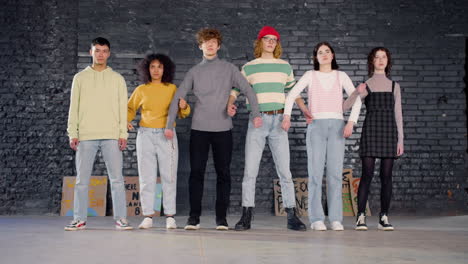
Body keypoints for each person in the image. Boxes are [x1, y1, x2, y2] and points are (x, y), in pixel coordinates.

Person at [164, 28, 262, 231]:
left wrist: (257, 114)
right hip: (199, 129)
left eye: (214, 41)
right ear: (200, 46)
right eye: (206, 42)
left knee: (223, 174)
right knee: (196, 173)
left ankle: (221, 219)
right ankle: (194, 218)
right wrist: (169, 125)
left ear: (218, 45)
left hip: (223, 129)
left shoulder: (229, 69)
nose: (210, 45)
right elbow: (177, 98)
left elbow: (248, 90)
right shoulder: (194, 72)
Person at [228, 26, 308, 231]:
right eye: (267, 39)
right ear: (260, 42)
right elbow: (236, 90)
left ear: (277, 44)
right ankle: (246, 216)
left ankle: (292, 216)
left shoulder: (284, 67)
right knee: (250, 172)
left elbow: (293, 92)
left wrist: (305, 110)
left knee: (285, 172)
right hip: (258, 121)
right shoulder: (249, 67)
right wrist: (230, 102)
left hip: (279, 122)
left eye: (274, 40)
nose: (271, 42)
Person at [282, 42, 362, 231]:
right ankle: (316, 218)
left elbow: (356, 97)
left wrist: (351, 122)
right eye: (320, 52)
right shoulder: (311, 75)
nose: (324, 54)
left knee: (335, 174)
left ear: (332, 55)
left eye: (327, 51)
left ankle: (336, 219)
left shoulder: (341, 76)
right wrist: (287, 115)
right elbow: (292, 94)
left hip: (337, 127)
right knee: (315, 173)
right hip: (316, 126)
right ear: (315, 57)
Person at [65, 37, 132, 231]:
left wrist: (123, 134)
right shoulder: (80, 78)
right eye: (97, 50)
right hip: (86, 135)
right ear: (91, 52)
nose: (101, 54)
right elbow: (73, 108)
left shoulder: (117, 79)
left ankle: (121, 219)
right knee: (82, 181)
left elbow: (122, 109)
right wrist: (73, 133)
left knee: (117, 179)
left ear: (109, 54)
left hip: (111, 135)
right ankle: (79, 219)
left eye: (104, 51)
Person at [343, 47, 403, 231]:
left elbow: (398, 115)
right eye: (377, 57)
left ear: (387, 61)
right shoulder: (366, 85)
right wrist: (355, 92)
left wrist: (401, 140)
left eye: (383, 57)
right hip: (371, 131)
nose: (380, 60)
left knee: (386, 176)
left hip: (389, 133)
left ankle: (383, 216)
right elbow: (345, 106)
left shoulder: (394, 86)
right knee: (367, 175)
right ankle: (360, 216)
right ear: (372, 61)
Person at [127, 53, 191, 229]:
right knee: (146, 177)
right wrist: (126, 120)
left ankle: (170, 216)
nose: (156, 70)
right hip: (145, 134)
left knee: (169, 176)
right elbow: (130, 108)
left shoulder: (171, 89)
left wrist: (184, 107)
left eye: (160, 67)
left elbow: (183, 112)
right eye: (153, 66)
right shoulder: (141, 89)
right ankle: (148, 215)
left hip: (167, 135)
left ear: (165, 70)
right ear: (147, 69)